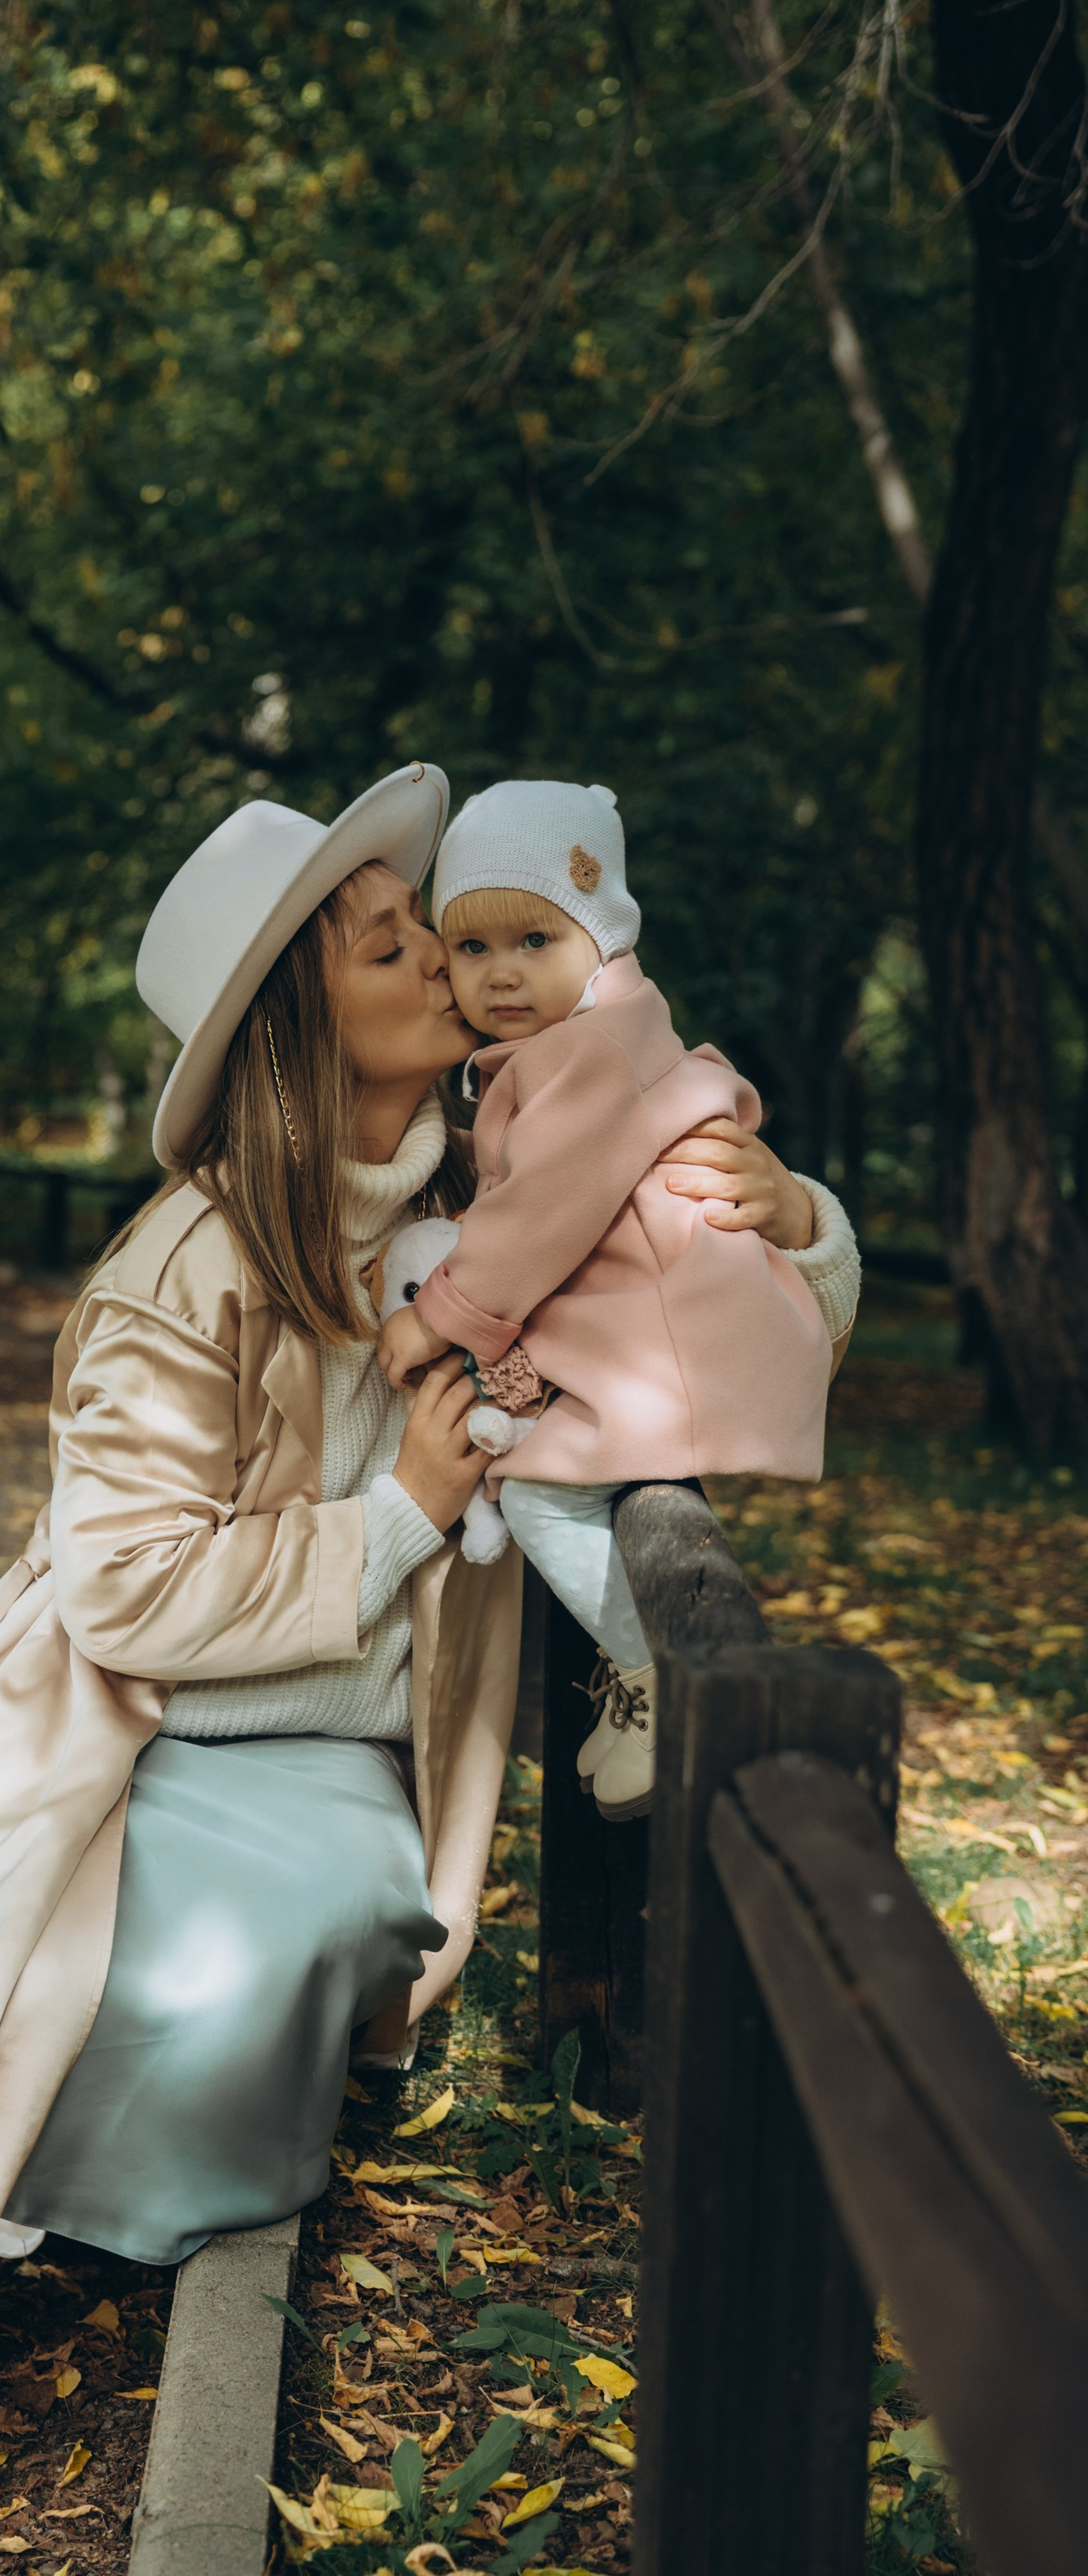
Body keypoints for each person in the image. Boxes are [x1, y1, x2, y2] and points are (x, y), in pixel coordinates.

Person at [0, 764, 859, 2576]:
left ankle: (72, 2195)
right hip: (118, 1728)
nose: (437, 958)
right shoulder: (184, 1268)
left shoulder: (499, 1188)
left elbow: (717, 1313)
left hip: (333, 1758)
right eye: (386, 944)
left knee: (296, 1950)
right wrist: (399, 1514)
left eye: (429, 929)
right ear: (294, 1021)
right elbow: (122, 1596)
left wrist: (799, 1213)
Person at [377, 780, 848, 1821]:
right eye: (472, 947)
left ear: (604, 935)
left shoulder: (588, 1052)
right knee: (563, 1496)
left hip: (669, 1343)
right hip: (658, 1332)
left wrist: (437, 1316)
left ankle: (656, 1679)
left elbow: (536, 1214)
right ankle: (644, 1681)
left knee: (542, 1497)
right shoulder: (590, 1037)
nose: (501, 972)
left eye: (535, 939)